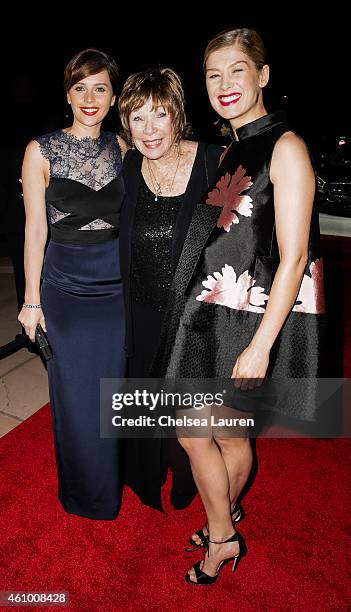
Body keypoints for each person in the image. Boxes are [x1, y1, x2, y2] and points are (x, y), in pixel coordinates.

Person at [151, 28, 325, 584]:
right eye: (213, 74)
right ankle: (224, 513)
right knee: (224, 434)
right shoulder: (235, 142)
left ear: (263, 74)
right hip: (209, 314)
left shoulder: (286, 145)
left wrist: (260, 346)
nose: (224, 84)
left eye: (237, 70)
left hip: (244, 321)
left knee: (195, 432)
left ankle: (223, 538)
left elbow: (295, 257)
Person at [18, 49, 128, 520]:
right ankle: (86, 493)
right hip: (65, 286)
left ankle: (116, 479)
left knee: (115, 393)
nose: (89, 97)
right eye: (80, 87)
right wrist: (30, 301)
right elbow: (35, 230)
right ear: (67, 93)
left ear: (114, 96)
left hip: (119, 286)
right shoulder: (40, 150)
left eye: (100, 87)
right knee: (76, 394)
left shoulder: (125, 147)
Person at [118, 68, 223, 510]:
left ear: (178, 115)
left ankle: (188, 484)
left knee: (189, 418)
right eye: (137, 119)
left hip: (194, 319)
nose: (148, 130)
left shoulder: (215, 161)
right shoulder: (127, 164)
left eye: (159, 115)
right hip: (139, 310)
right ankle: (144, 477)